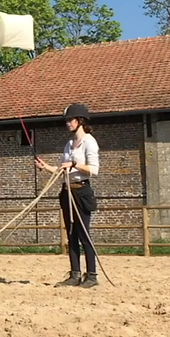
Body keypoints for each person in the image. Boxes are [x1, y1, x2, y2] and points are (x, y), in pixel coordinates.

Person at [34, 103, 100, 288]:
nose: (68, 123)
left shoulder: (89, 142)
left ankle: (92, 275)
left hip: (81, 191)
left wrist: (74, 164)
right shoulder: (69, 144)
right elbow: (61, 169)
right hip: (67, 191)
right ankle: (75, 274)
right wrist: (45, 167)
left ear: (80, 121)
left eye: (70, 120)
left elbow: (93, 170)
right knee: (71, 235)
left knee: (84, 234)